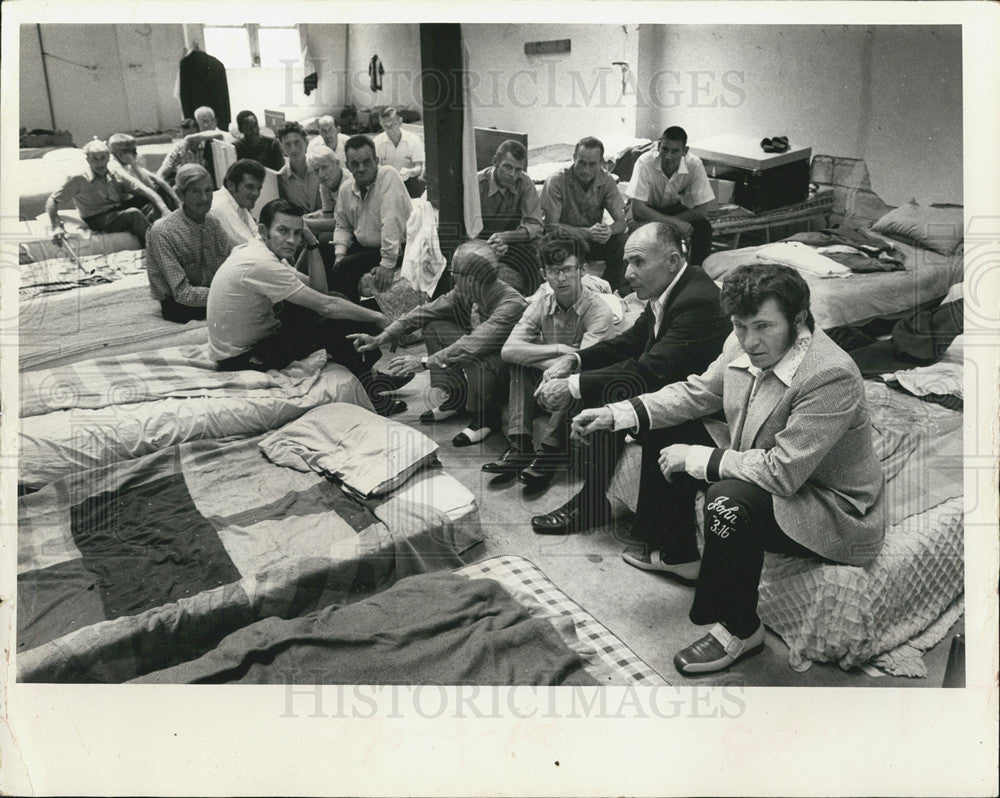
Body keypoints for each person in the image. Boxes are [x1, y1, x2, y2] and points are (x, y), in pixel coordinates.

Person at [571, 262, 885, 674]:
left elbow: (783, 473)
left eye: (763, 327)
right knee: (668, 426)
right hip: (764, 460)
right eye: (740, 326)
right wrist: (618, 414)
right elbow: (698, 393)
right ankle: (681, 555)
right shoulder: (739, 344)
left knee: (727, 500)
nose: (750, 341)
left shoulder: (830, 373)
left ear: (799, 320)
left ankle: (741, 629)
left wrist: (699, 460)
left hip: (826, 501)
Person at [530, 222, 730, 535]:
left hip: (707, 415)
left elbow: (651, 369)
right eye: (627, 262)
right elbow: (631, 341)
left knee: (610, 393)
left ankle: (595, 504)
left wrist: (572, 385)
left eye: (638, 261)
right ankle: (592, 500)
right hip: (676, 390)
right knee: (605, 390)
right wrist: (575, 360)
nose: (627, 273)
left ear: (672, 261)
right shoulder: (671, 288)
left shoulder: (697, 300)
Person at [207, 198, 405, 416]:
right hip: (243, 359)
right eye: (283, 231)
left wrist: (312, 243)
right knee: (333, 323)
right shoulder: (260, 263)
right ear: (263, 231)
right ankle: (371, 389)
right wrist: (377, 316)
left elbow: (320, 290)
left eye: (297, 232)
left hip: (246, 347)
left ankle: (371, 375)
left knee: (335, 299)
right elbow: (326, 305)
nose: (291, 240)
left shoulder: (261, 251)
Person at [349, 240, 527, 446]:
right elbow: (426, 312)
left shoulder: (510, 303)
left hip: (507, 370)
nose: (451, 276)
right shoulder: (467, 290)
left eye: (454, 272)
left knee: (474, 354)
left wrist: (424, 362)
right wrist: (382, 337)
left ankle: (487, 417)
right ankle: (457, 398)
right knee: (433, 326)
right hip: (482, 351)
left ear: (471, 278)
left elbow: (474, 344)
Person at [484, 232, 615, 492]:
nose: (561, 278)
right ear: (544, 273)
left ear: (583, 270)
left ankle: (550, 450)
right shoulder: (541, 303)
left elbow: (585, 364)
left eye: (567, 269)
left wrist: (559, 363)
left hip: (586, 388)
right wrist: (559, 350)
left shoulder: (598, 310)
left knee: (572, 378)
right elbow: (509, 350)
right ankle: (520, 445)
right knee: (519, 365)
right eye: (553, 271)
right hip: (551, 382)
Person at [146, 164, 234, 323]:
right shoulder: (162, 232)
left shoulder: (213, 223)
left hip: (214, 294)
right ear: (180, 194)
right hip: (179, 306)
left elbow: (231, 264)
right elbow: (181, 293)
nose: (204, 199)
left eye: (208, 190)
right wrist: (228, 295)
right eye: (195, 192)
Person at [330, 135, 413, 303]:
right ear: (348, 166)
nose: (361, 169)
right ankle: (333, 305)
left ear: (377, 160)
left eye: (367, 162)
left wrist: (388, 263)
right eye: (355, 164)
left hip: (397, 247)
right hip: (366, 245)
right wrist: (339, 253)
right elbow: (342, 225)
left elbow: (392, 222)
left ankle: (353, 318)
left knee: (346, 268)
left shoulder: (389, 176)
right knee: (326, 250)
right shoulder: (346, 189)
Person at [540, 136, 628, 292]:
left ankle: (610, 292)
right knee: (544, 244)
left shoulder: (607, 181)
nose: (586, 169)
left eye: (592, 164)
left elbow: (621, 222)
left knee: (622, 241)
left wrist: (608, 231)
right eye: (581, 162)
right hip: (564, 241)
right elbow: (550, 226)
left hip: (591, 242)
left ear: (601, 163)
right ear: (573, 158)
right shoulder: (556, 180)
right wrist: (587, 232)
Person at [47, 139, 170, 248]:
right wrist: (56, 225)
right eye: (94, 158)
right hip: (97, 217)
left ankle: (167, 231)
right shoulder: (78, 178)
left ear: (108, 157)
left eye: (103, 158)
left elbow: (145, 189)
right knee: (134, 214)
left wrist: (165, 210)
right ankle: (157, 248)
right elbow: (52, 200)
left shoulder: (114, 172)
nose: (99, 163)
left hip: (116, 210)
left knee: (154, 195)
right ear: (87, 159)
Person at [625, 126, 717, 266]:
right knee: (641, 233)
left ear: (685, 151)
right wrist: (674, 223)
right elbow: (638, 210)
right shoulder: (644, 162)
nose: (668, 156)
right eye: (665, 149)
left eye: (675, 151)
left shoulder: (694, 164)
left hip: (672, 208)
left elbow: (702, 209)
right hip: (644, 210)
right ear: (658, 146)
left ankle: (696, 274)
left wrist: (673, 222)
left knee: (704, 228)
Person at [477, 139, 544, 295]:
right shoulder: (477, 184)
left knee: (538, 253)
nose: (512, 174)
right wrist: (487, 246)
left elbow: (535, 225)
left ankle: (534, 301)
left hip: (509, 242)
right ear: (495, 161)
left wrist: (506, 236)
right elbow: (466, 229)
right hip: (479, 242)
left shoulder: (524, 182)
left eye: (518, 169)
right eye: (507, 167)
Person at [108, 132, 180, 210]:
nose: (136, 154)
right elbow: (148, 187)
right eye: (133, 151)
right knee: (156, 194)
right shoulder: (114, 165)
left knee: (166, 184)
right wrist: (164, 209)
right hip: (117, 205)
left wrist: (177, 199)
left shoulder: (124, 162)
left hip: (129, 198)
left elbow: (157, 179)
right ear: (120, 154)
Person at [373, 106, 426, 199]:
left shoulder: (413, 139)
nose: (390, 130)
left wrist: (409, 172)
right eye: (386, 126)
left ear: (400, 122)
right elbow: (374, 169)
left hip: (409, 182)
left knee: (420, 182)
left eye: (393, 125)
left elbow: (419, 167)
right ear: (381, 124)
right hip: (386, 184)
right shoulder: (376, 142)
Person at [210, 158, 266, 245]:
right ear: (231, 185)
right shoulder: (221, 206)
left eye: (259, 188)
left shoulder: (238, 201)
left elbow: (256, 234)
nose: (256, 193)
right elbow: (250, 246)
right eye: (249, 187)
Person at [277, 121, 321, 213]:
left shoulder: (319, 167)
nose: (293, 149)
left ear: (306, 142)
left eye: (297, 143)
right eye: (287, 145)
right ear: (282, 147)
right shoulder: (281, 178)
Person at [302, 144, 343, 238]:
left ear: (337, 163)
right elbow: (328, 215)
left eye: (324, 167)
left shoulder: (347, 184)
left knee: (324, 237)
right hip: (342, 226)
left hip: (357, 230)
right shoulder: (325, 184)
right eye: (316, 170)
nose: (321, 174)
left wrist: (302, 222)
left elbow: (338, 223)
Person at [157, 118, 207, 184]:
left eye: (190, 137)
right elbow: (162, 172)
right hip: (186, 183)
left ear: (198, 134)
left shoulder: (207, 145)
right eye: (184, 137)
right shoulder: (179, 148)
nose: (187, 141)